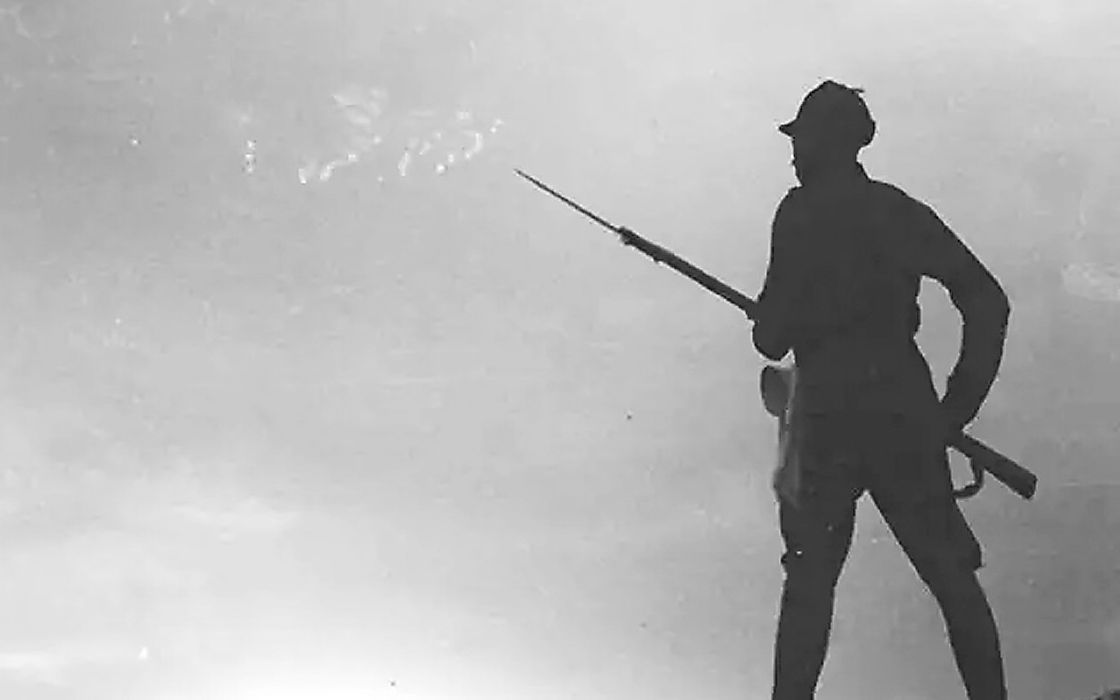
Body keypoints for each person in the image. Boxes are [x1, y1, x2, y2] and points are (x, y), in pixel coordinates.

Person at [752, 80, 1012, 699]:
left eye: (802, 140)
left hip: (827, 417)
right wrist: (955, 407)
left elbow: (770, 338)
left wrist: (955, 409)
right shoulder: (896, 211)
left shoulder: (799, 214)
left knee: (809, 583)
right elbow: (986, 300)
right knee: (951, 579)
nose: (794, 154)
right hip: (902, 408)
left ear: (828, 143)